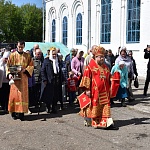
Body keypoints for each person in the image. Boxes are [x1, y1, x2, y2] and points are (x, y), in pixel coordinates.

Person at [79, 45, 119, 130]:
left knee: (106, 107)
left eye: (103, 57)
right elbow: (86, 78)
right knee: (94, 107)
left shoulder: (106, 67)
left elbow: (109, 77)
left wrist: (115, 77)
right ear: (96, 57)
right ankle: (96, 121)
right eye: (100, 57)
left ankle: (107, 122)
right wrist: (87, 89)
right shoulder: (90, 67)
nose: (102, 59)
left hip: (105, 92)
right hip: (95, 92)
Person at [6, 41, 34, 121]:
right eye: (19, 47)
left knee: (22, 96)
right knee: (14, 96)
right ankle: (13, 112)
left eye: (21, 47)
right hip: (14, 79)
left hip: (23, 79)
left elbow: (31, 65)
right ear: (17, 46)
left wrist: (25, 70)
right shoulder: (12, 55)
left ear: (24, 46)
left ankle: (21, 113)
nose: (20, 48)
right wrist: (9, 74)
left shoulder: (27, 56)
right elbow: (8, 66)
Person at [41, 47, 63, 113]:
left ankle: (54, 107)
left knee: (56, 95)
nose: (54, 56)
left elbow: (60, 70)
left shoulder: (57, 61)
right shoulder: (46, 60)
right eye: (53, 54)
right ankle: (48, 107)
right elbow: (42, 70)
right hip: (49, 81)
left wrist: (63, 79)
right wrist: (44, 79)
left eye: (55, 54)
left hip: (56, 81)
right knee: (49, 95)